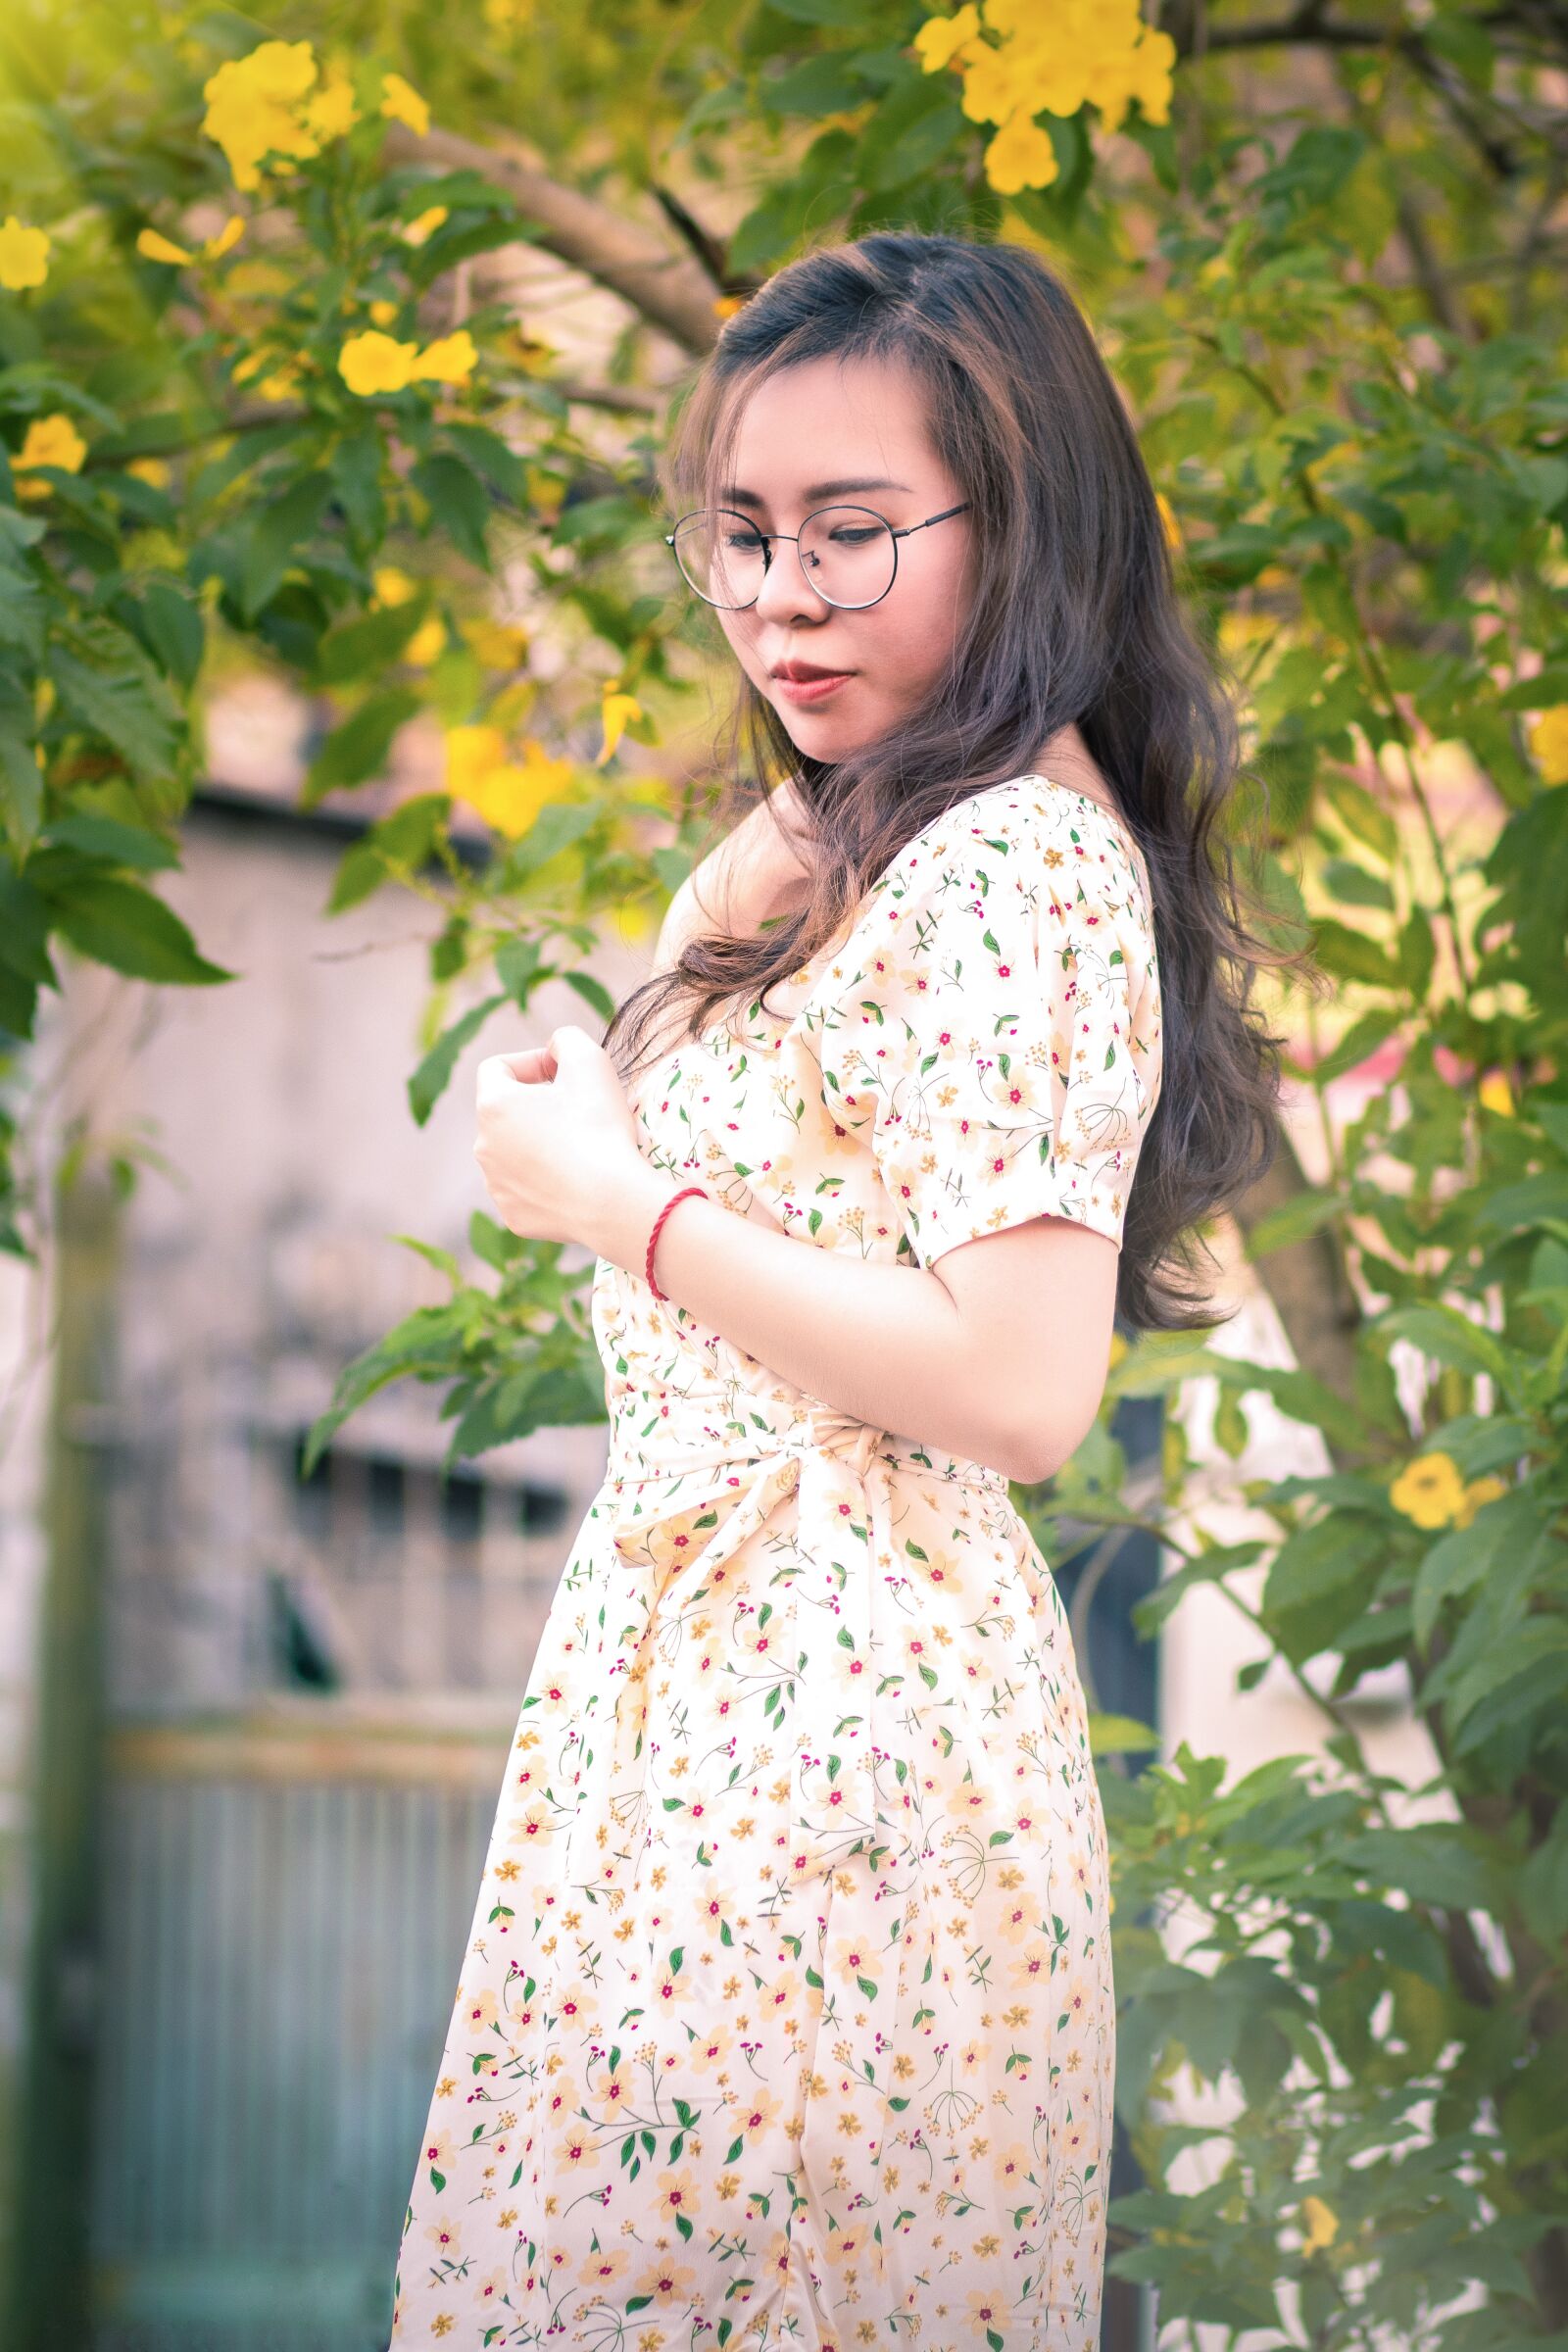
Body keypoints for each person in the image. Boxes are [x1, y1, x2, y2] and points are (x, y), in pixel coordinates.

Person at [389, 230, 1287, 2351]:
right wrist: (744, 893)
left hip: (837, 1757)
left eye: (854, 536)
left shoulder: (1008, 862)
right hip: (730, 1713)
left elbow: (1016, 1382)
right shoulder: (899, 837)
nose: (781, 600)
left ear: (1020, 520)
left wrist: (618, 1206)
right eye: (744, 539)